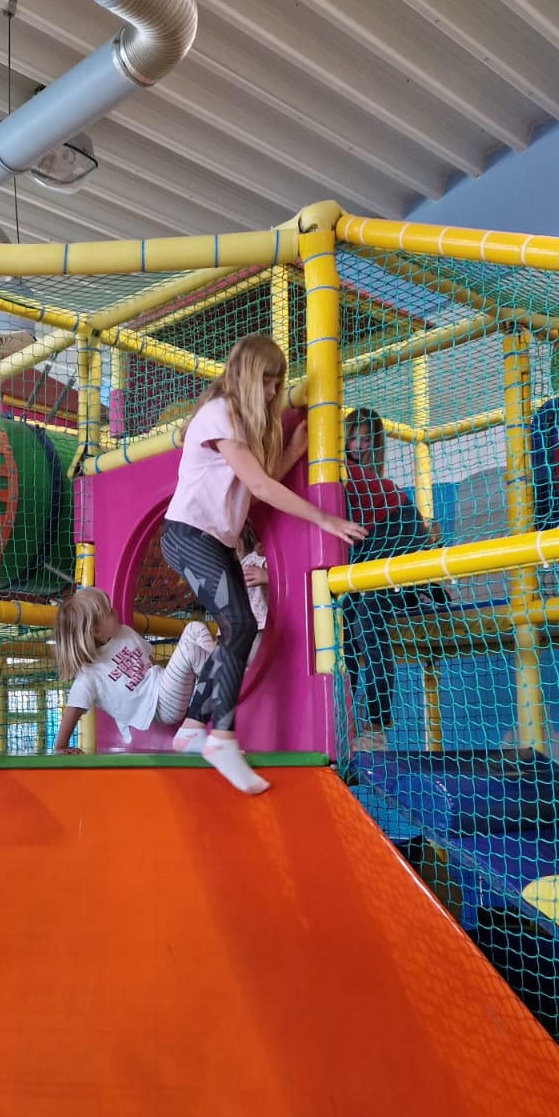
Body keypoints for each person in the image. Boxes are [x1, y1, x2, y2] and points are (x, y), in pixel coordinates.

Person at [160, 333, 366, 795]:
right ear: (248, 376)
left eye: (279, 383)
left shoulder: (237, 423)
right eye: (268, 381)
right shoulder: (218, 413)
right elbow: (263, 488)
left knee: (236, 629)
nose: (274, 392)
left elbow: (254, 485)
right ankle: (222, 738)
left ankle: (192, 729)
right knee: (240, 624)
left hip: (215, 542)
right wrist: (325, 519)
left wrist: (293, 449)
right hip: (187, 535)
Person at [342, 406, 449, 750]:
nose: (358, 446)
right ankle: (345, 720)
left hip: (399, 560)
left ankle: (376, 725)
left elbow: (411, 543)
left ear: (376, 445)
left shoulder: (373, 485)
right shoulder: (339, 476)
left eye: (365, 439)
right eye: (352, 438)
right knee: (344, 618)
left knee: (366, 615)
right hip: (368, 564)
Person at [51, 588, 214, 753]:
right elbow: (74, 708)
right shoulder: (90, 675)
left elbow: (151, 664)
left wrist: (177, 678)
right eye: (109, 613)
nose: (115, 611)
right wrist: (61, 745)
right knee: (189, 650)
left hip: (165, 688)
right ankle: (220, 680)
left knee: (195, 628)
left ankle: (213, 678)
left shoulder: (125, 633)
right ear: (96, 631)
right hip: (160, 708)